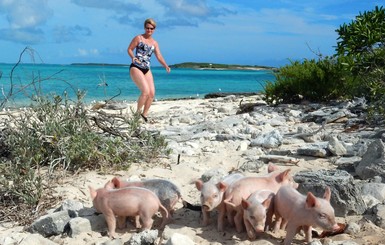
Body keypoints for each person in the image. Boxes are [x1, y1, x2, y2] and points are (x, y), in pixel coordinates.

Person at [127, 18, 171, 122]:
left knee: (151, 93)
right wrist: (132, 57)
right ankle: (137, 114)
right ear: (144, 28)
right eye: (147, 28)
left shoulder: (154, 43)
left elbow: (159, 56)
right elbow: (129, 49)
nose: (149, 30)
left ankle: (144, 114)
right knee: (145, 91)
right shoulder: (139, 38)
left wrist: (165, 65)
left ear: (154, 29)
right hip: (136, 67)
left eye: (151, 28)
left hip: (146, 68)